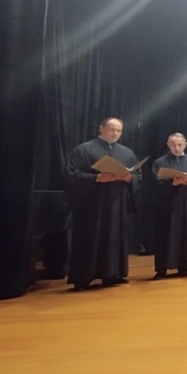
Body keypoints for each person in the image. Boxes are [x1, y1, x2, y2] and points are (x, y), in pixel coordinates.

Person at [65, 117, 141, 291]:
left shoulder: (127, 153)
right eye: (112, 129)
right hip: (92, 205)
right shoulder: (84, 149)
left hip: (117, 205)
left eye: (118, 131)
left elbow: (138, 176)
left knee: (114, 238)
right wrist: (97, 178)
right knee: (90, 238)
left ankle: (112, 274)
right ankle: (83, 277)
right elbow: (71, 176)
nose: (115, 133)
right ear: (101, 128)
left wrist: (129, 178)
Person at [152, 132, 187, 279]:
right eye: (173, 145)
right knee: (164, 237)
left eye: (180, 145)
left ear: (185, 145)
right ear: (168, 145)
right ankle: (161, 270)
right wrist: (172, 183)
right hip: (166, 207)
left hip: (185, 206)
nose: (177, 147)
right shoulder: (160, 162)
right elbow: (155, 185)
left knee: (184, 236)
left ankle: (184, 268)